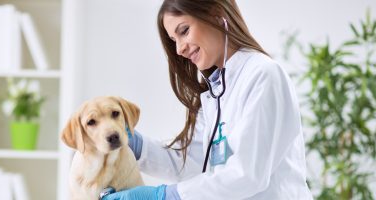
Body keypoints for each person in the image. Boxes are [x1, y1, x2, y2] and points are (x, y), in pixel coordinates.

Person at [103, 0, 313, 199]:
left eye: (184, 31)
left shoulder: (263, 75)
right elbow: (191, 162)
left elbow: (247, 174)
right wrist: (136, 145)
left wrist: (165, 196)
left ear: (216, 15)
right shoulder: (216, 93)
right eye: (174, 40)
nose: (179, 49)